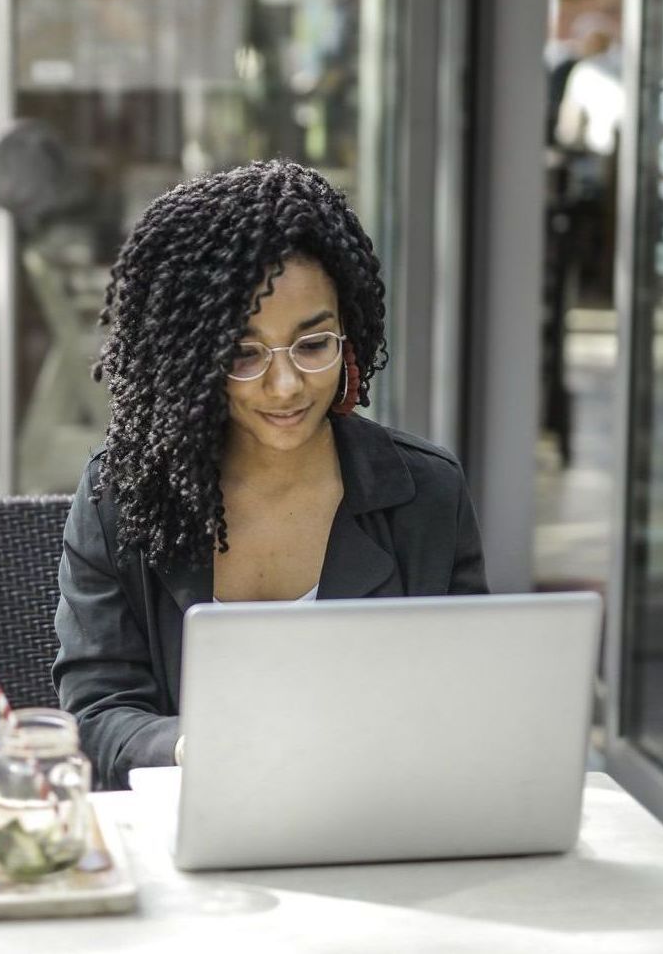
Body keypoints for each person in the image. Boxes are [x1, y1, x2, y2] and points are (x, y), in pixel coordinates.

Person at [52, 161, 489, 790]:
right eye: (243, 354)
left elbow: (469, 703)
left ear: (350, 335)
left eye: (313, 347)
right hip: (189, 834)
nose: (285, 387)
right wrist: (192, 747)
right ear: (191, 359)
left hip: (382, 822)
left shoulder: (426, 494)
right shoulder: (121, 496)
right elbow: (95, 717)